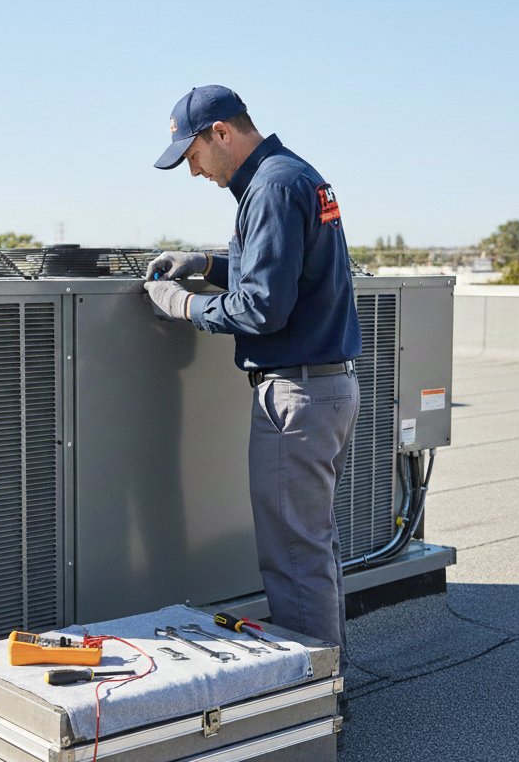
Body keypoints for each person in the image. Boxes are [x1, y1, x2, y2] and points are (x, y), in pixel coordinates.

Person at [144, 85, 363, 656]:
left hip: (298, 395)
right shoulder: (292, 176)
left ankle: (314, 699)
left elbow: (263, 306)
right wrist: (208, 265)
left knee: (293, 555)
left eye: (192, 156)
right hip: (324, 387)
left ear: (221, 132)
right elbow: (282, 271)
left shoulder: (271, 187)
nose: (194, 172)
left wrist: (183, 304)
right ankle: (327, 678)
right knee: (311, 547)